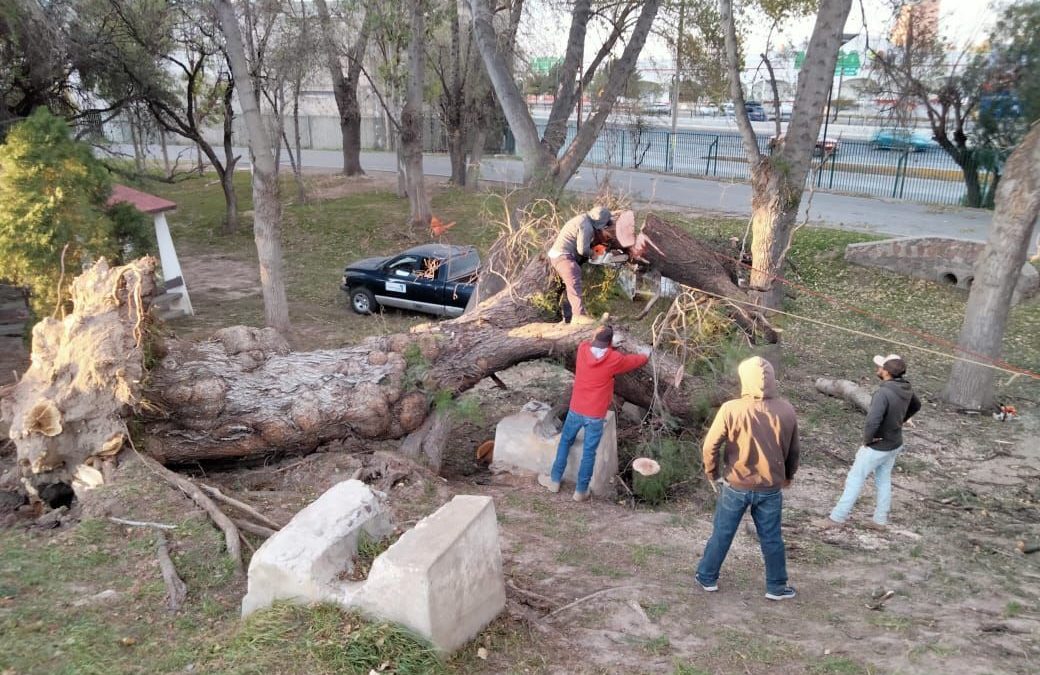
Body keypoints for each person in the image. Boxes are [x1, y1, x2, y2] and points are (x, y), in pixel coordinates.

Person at [695, 356, 800, 601]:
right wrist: (788, 476)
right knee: (772, 537)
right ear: (772, 379)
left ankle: (707, 577)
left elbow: (710, 445)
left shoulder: (731, 408)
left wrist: (711, 473)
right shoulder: (786, 409)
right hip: (770, 487)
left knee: (722, 532)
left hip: (736, 484)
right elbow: (794, 450)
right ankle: (776, 586)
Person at [538, 325, 648, 501]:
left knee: (565, 442)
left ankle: (554, 480)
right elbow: (635, 361)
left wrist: (609, 344)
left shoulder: (582, 350)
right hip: (595, 414)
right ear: (610, 342)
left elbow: (589, 342)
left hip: (576, 409)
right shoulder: (615, 359)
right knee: (589, 452)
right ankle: (581, 491)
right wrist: (644, 355)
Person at [818, 354, 922, 530]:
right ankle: (880, 520)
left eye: (881, 368)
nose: (878, 370)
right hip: (895, 443)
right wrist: (902, 419)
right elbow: (916, 405)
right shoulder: (906, 387)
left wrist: (868, 440)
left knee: (855, 479)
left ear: (887, 372)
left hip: (878, 446)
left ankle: (836, 518)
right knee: (883, 479)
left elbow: (873, 420)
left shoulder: (883, 392)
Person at [548, 206, 614, 324]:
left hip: (561, 255)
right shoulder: (586, 226)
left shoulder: (583, 219)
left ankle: (568, 318)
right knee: (574, 283)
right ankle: (579, 316)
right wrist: (592, 254)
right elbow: (582, 250)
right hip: (564, 257)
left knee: (569, 287)